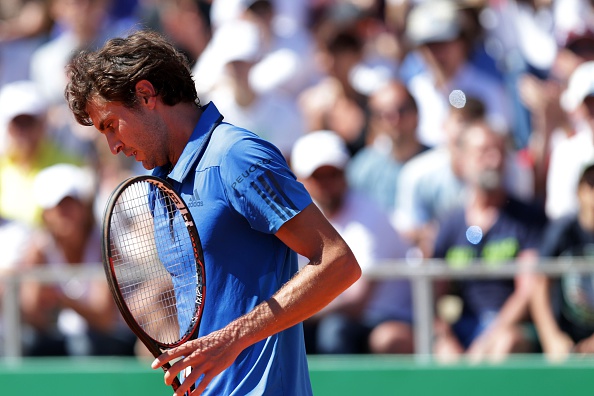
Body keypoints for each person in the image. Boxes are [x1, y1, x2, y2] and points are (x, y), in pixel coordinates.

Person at [64, 29, 360, 395]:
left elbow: (339, 262)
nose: (112, 146)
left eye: (111, 125)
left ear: (145, 94)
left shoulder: (236, 156)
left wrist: (233, 338)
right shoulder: (160, 186)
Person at [431, 119, 547, 363]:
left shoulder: (527, 219)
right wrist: (444, 338)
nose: (493, 160)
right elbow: (431, 294)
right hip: (464, 324)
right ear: (462, 160)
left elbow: (528, 290)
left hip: (510, 327)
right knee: (441, 355)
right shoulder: (450, 223)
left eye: (499, 151)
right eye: (483, 152)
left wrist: (487, 339)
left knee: (506, 344)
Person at [292, 130, 414, 355]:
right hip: (332, 315)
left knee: (334, 331)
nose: (328, 183)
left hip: (382, 317)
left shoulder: (370, 215)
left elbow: (356, 300)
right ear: (301, 179)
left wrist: (291, 313)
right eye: (318, 176)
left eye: (334, 174)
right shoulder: (296, 218)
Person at [20, 163, 136, 357]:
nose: (66, 212)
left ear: (83, 207)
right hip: (70, 338)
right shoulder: (38, 250)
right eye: (58, 206)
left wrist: (61, 300)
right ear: (46, 214)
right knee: (29, 344)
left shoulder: (103, 245)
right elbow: (32, 314)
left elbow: (104, 318)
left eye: (71, 203)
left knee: (84, 346)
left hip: (111, 339)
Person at [0, 80, 86, 226]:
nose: (22, 131)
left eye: (28, 122)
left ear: (42, 124)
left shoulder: (70, 163)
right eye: (17, 123)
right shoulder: (2, 164)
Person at [532, 162, 594, 360]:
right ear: (579, 191)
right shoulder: (562, 231)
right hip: (568, 336)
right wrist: (551, 336)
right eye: (591, 185)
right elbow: (539, 283)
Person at [346, 79, 429, 215]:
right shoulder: (363, 168)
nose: (395, 120)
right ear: (375, 122)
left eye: (402, 110)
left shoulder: (440, 164)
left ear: (416, 112)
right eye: (385, 115)